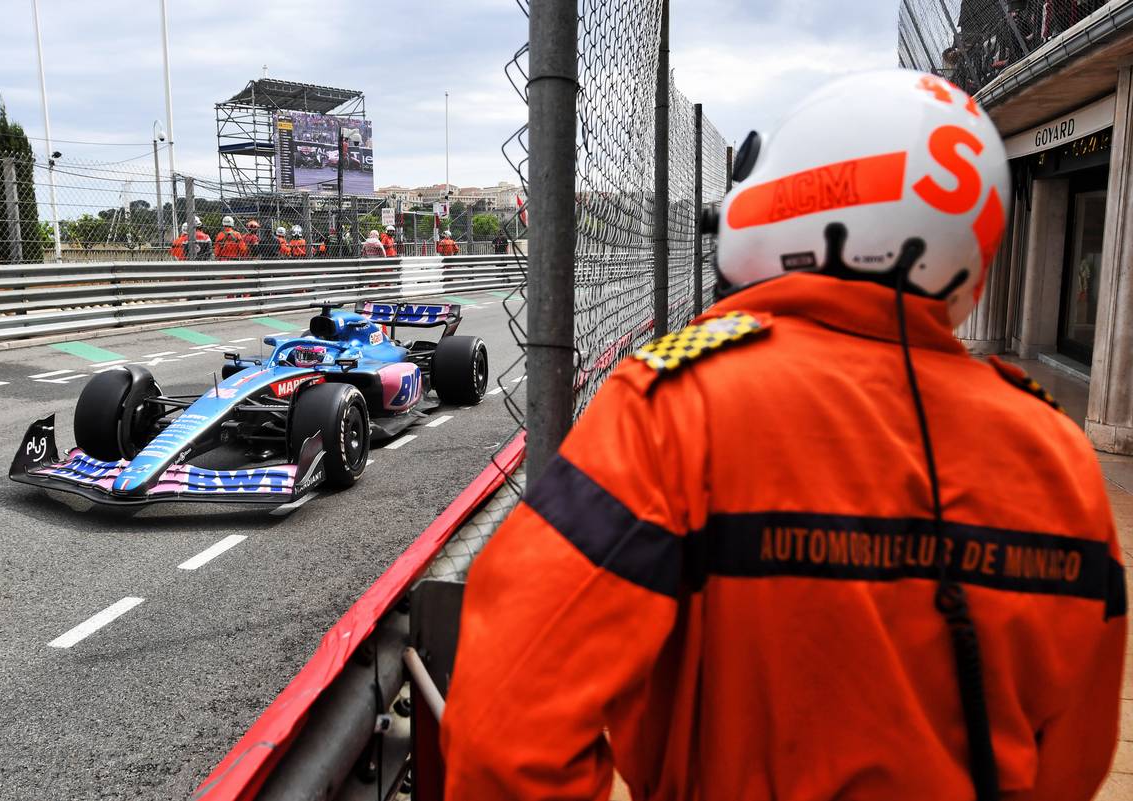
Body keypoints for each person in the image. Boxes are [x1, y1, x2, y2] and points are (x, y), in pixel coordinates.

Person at [441, 70, 1126, 800]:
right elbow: (1076, 762)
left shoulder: (672, 405)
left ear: (805, 197)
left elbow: (503, 730)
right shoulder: (1059, 453)